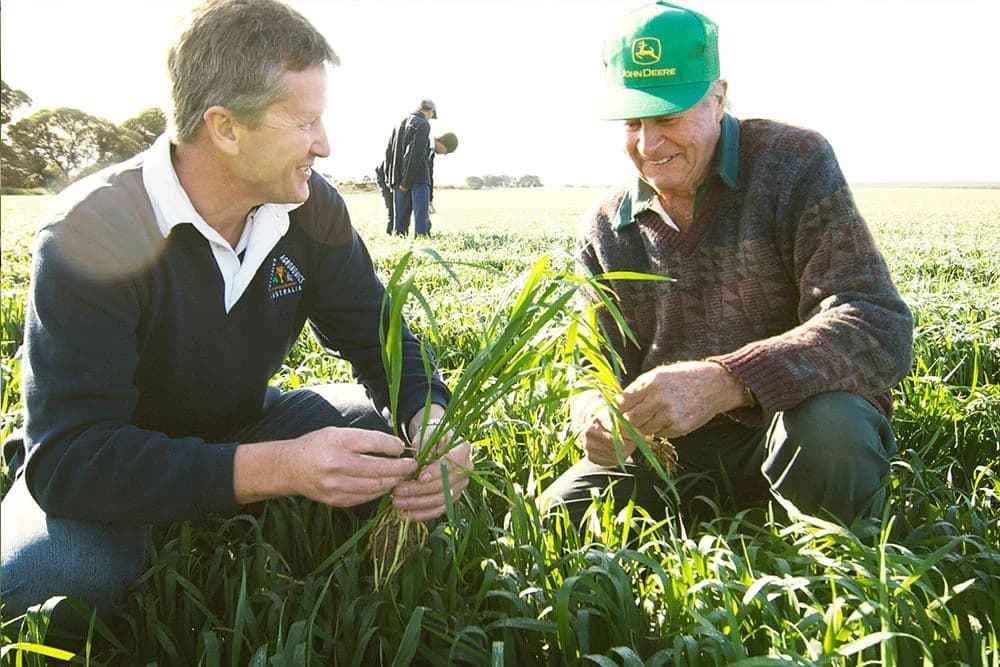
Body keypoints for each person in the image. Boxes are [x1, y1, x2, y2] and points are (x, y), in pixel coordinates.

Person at [0, 0, 471, 622]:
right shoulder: (91, 230)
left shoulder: (311, 207)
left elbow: (377, 333)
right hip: (113, 454)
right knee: (64, 578)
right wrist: (279, 467)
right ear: (224, 128)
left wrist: (427, 414)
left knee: (387, 446)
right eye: (305, 123)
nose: (324, 145)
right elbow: (72, 460)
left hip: (242, 423)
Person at [540, 1, 913, 527]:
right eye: (632, 121)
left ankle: (836, 564)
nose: (648, 144)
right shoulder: (607, 225)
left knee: (832, 429)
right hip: (674, 449)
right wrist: (593, 415)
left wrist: (726, 380)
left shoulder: (793, 164)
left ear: (718, 99)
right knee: (560, 515)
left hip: (790, 427)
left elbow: (877, 325)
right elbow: (590, 369)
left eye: (668, 117)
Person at [377, 131, 458, 234]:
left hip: (404, 176)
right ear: (441, 142)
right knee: (394, 210)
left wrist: (429, 199)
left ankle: (401, 234)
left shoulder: (431, 152)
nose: (445, 154)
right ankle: (393, 236)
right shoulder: (421, 140)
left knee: (404, 208)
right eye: (447, 151)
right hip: (390, 173)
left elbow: (428, 176)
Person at [384, 99, 437, 237]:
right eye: (431, 115)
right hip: (417, 177)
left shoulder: (399, 122)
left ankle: (399, 250)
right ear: (430, 112)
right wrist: (406, 182)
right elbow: (414, 153)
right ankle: (422, 248)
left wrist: (390, 178)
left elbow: (388, 151)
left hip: (397, 177)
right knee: (421, 226)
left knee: (399, 227)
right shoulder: (423, 124)